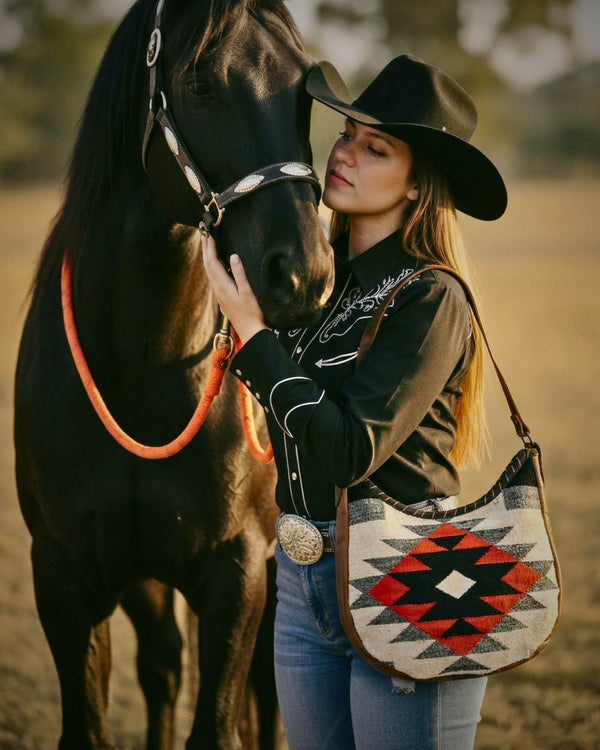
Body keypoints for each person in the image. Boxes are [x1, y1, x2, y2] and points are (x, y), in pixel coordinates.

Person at [202, 54, 507, 750]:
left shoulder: (431, 295)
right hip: (300, 584)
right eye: (346, 135)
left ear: (417, 184)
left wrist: (254, 338)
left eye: (377, 149)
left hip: (411, 575)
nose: (344, 154)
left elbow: (346, 450)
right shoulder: (319, 288)